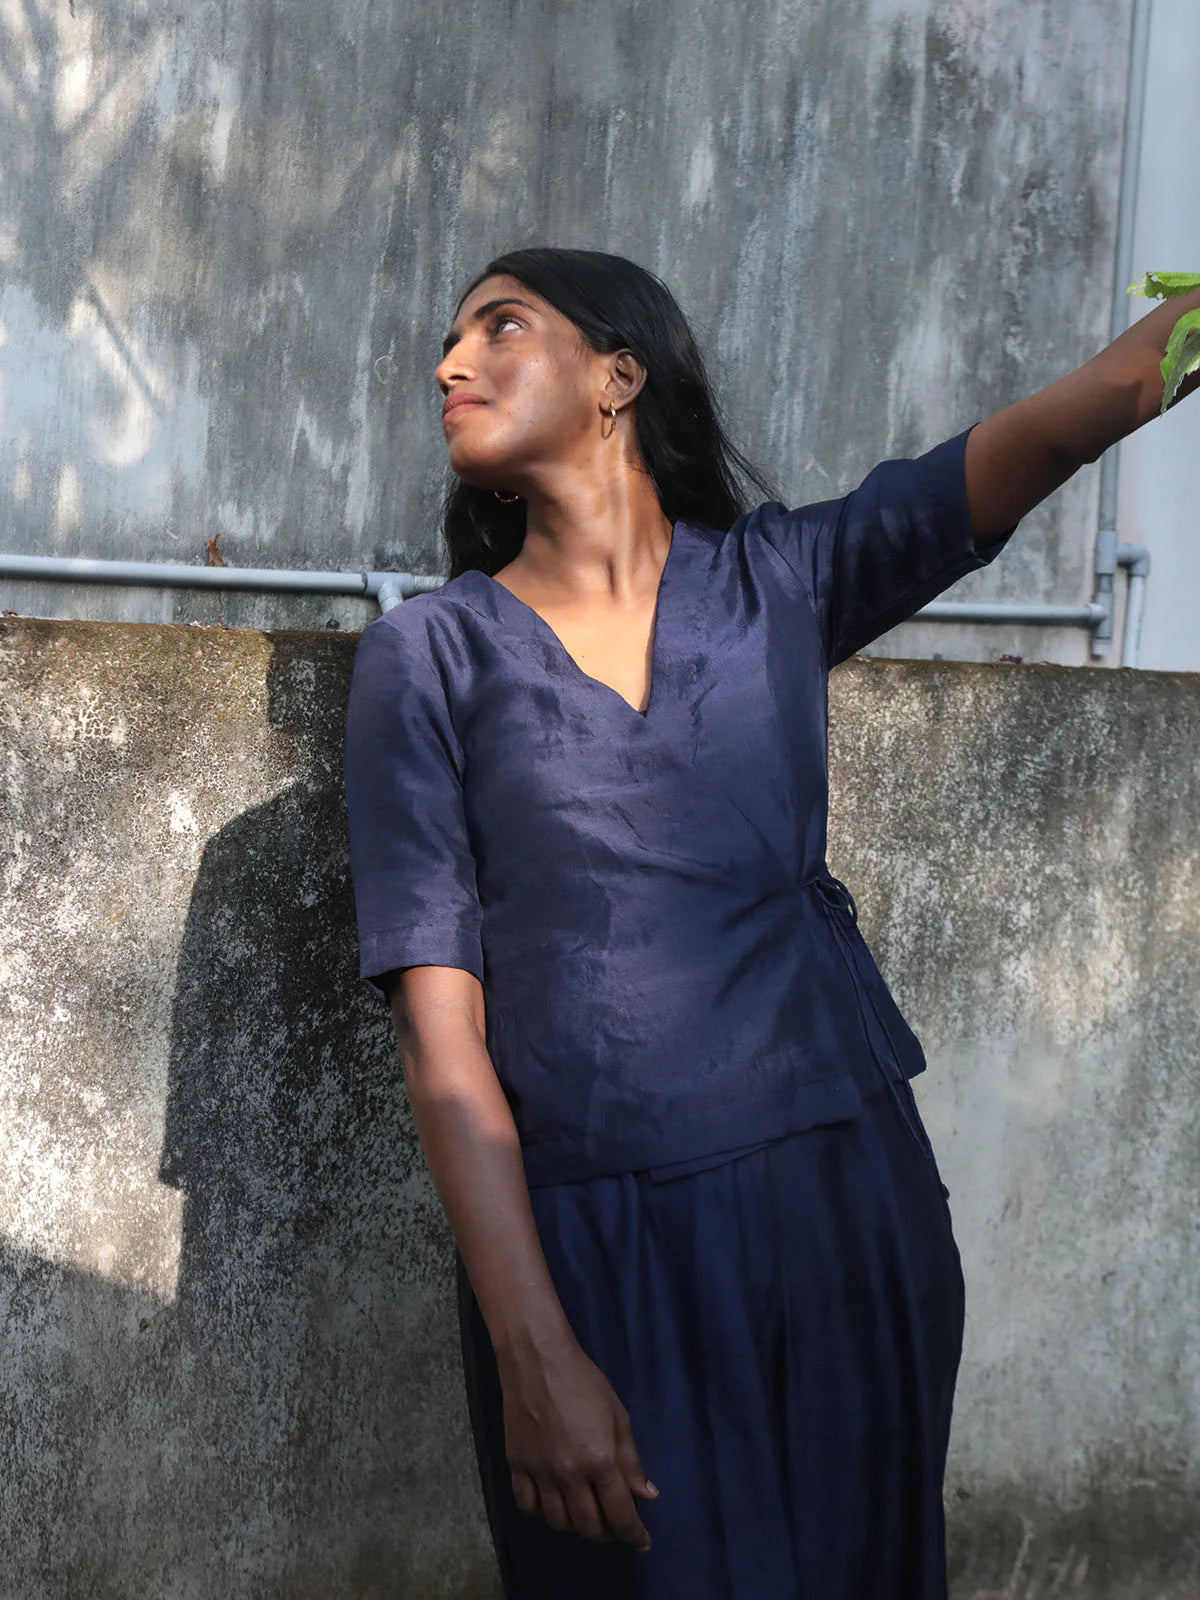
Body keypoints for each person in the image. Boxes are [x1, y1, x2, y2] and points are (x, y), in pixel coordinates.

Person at [342, 247, 1199, 1599]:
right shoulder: (431, 658)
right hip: (599, 1244)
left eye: (499, 328)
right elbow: (442, 1035)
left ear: (621, 372)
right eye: (447, 345)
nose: (451, 366)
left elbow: (1069, 414)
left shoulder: (779, 581)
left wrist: (1196, 316)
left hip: (845, 1196)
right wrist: (532, 1349)